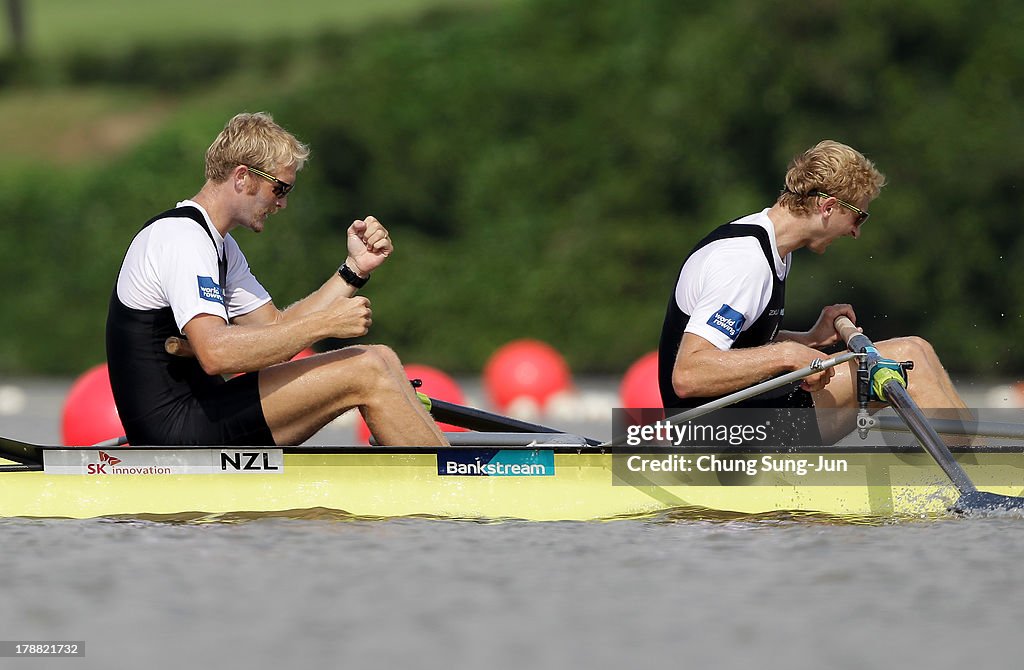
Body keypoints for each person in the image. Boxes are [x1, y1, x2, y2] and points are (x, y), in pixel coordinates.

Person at [106, 112, 448, 447]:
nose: (282, 203)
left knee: (381, 356)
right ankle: (453, 475)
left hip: (204, 414)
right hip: (174, 432)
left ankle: (452, 470)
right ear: (243, 177)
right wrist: (325, 324)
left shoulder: (220, 245)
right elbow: (215, 353)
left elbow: (276, 328)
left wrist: (354, 269)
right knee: (367, 368)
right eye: (280, 188)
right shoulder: (181, 238)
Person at [658, 139, 968, 443]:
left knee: (918, 348)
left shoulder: (770, 244)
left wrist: (809, 340)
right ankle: (982, 467)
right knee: (908, 358)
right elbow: (688, 375)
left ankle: (982, 462)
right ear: (828, 206)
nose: (856, 232)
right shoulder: (745, 261)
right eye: (858, 217)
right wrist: (788, 354)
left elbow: (740, 345)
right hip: (713, 434)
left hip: (734, 414)